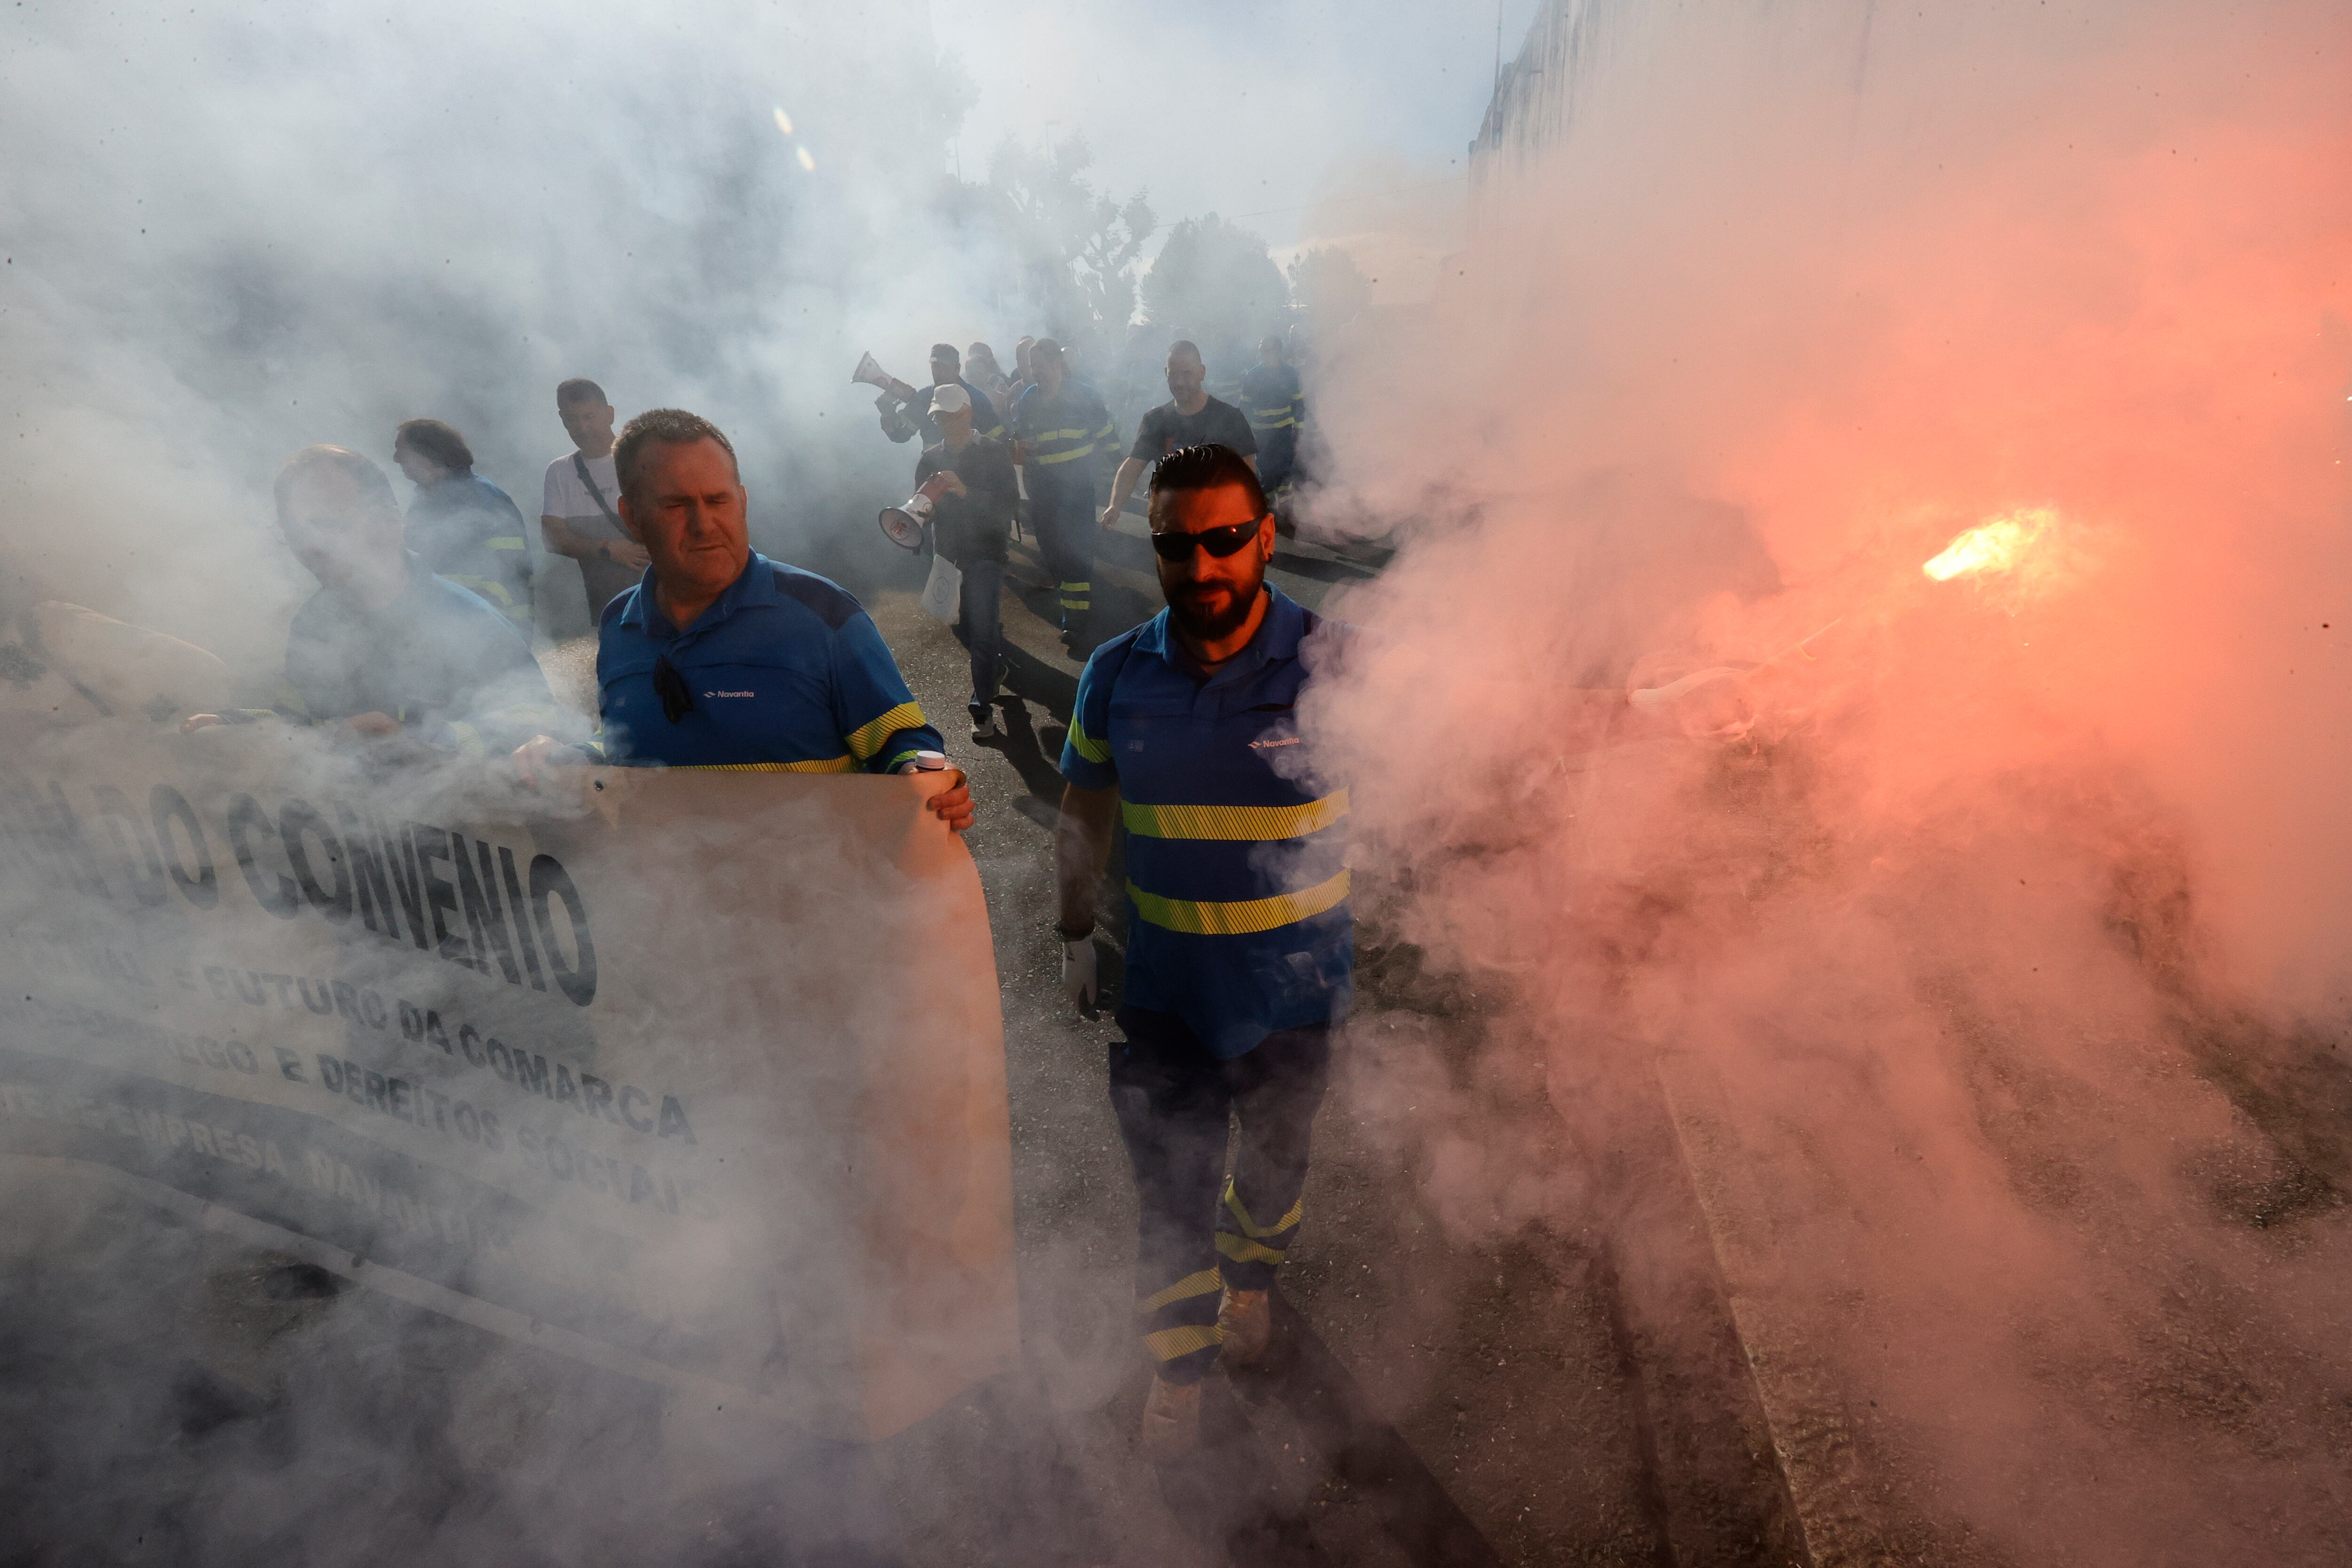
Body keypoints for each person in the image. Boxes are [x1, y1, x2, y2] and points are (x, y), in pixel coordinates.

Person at [511, 409, 973, 830]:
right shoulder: (619, 623)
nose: (703, 524)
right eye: (675, 506)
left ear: (743, 501)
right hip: (672, 905)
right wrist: (576, 758)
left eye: (718, 501)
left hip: (820, 905)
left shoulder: (822, 613)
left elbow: (898, 736)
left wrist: (922, 776)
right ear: (632, 517)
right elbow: (628, 740)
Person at [184, 446, 562, 754]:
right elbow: (299, 725)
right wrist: (242, 726)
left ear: (389, 521)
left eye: (329, 524)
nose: (310, 546)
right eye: (296, 530)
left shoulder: (468, 621)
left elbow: (541, 726)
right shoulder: (315, 622)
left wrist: (420, 740)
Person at [914, 384, 1019, 742]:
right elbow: (921, 507)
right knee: (965, 628)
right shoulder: (929, 458)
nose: (946, 423)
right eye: (940, 417)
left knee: (984, 632)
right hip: (948, 556)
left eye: (952, 415)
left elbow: (1009, 505)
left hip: (986, 554)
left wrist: (965, 491)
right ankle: (995, 670)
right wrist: (913, 520)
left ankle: (982, 708)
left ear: (969, 414)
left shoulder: (993, 452)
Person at [1011, 338, 1115, 644]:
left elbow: (1108, 435)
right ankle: (1070, 596)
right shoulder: (1028, 399)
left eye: (1040, 364)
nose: (1035, 371)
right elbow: (1019, 436)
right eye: (1032, 366)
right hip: (1042, 490)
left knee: (1075, 551)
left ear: (1057, 363)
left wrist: (1122, 471)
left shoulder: (1085, 395)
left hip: (1078, 488)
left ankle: (1076, 619)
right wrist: (1021, 445)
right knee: (1051, 550)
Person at [392, 418, 535, 632]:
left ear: (427, 456)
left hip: (489, 632)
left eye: (401, 451)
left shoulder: (485, 500)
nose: (395, 459)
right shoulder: (426, 499)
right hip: (449, 631)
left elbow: (512, 579)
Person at [1098, 342, 1257, 530]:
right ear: (1166, 373)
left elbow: (1248, 471)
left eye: (1187, 373)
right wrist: (1115, 505)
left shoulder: (1230, 418)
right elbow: (1132, 466)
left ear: (1202, 373)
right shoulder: (1155, 421)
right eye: (1173, 374)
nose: (1180, 382)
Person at [540, 377, 650, 628]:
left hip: (657, 600)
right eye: (572, 420)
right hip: (603, 611)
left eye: (589, 417)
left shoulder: (642, 460)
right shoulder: (560, 471)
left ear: (610, 414)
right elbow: (552, 538)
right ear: (562, 420)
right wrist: (609, 549)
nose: (582, 429)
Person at [877, 343, 1004, 446]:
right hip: (932, 472)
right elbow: (900, 435)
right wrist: (887, 413)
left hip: (970, 474)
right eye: (935, 366)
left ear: (957, 368)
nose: (939, 372)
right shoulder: (924, 398)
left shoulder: (976, 399)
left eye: (945, 367)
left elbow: (998, 442)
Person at [1237, 335, 1305, 494]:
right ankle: (1270, 509)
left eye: (1269, 351)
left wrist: (1297, 437)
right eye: (1262, 351)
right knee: (1265, 474)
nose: (1265, 354)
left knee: (1285, 472)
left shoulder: (1291, 374)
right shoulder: (1253, 376)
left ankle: (1286, 510)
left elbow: (1299, 406)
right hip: (1261, 436)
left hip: (1284, 435)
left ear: (1279, 352)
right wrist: (1245, 438)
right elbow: (1244, 408)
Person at [964, 341, 1011, 408]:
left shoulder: (998, 384)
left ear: (986, 372)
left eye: (979, 374)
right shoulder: (961, 385)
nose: (975, 378)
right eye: (972, 375)